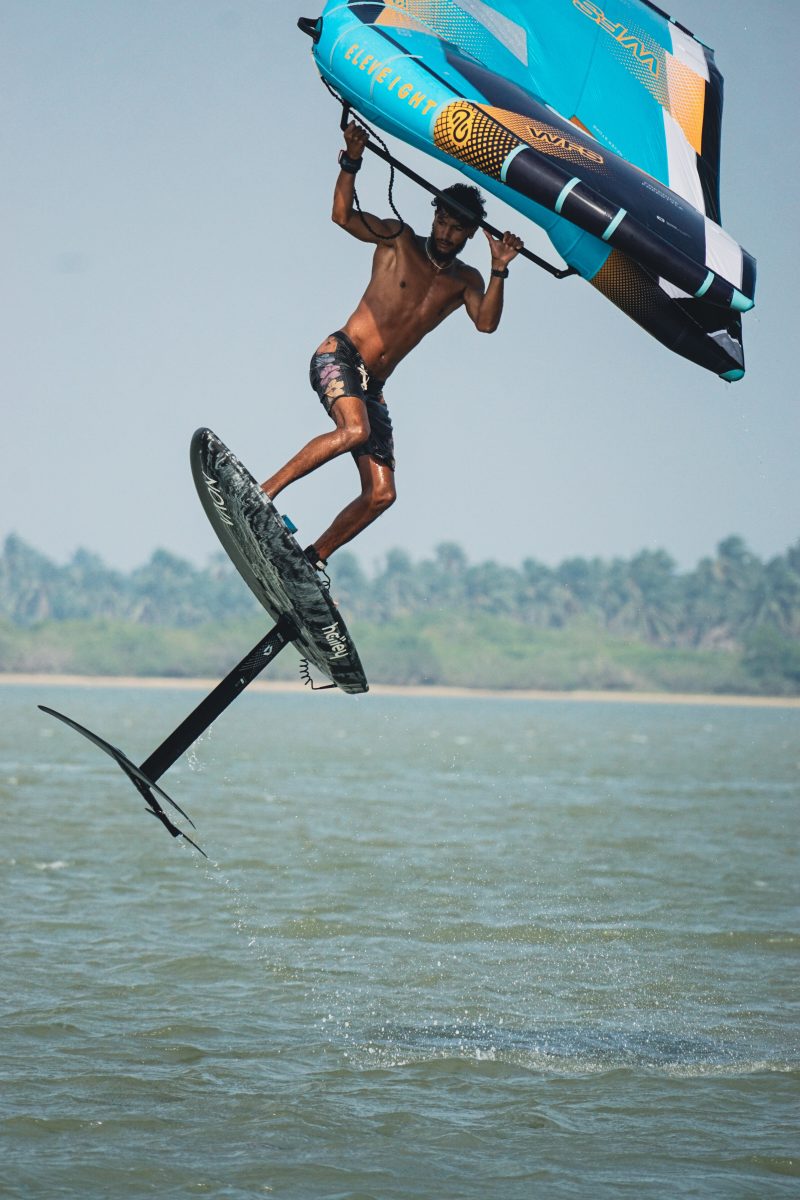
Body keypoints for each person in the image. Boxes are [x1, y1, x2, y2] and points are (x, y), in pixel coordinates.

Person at [261, 120, 523, 570]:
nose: (445, 233)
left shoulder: (466, 280)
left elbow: (485, 323)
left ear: (469, 234)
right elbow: (342, 216)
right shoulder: (398, 240)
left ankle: (311, 560)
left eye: (456, 229)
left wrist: (499, 268)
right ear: (434, 216)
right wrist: (352, 159)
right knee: (355, 431)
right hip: (339, 356)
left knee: (382, 494)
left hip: (373, 387)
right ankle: (264, 493)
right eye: (442, 221)